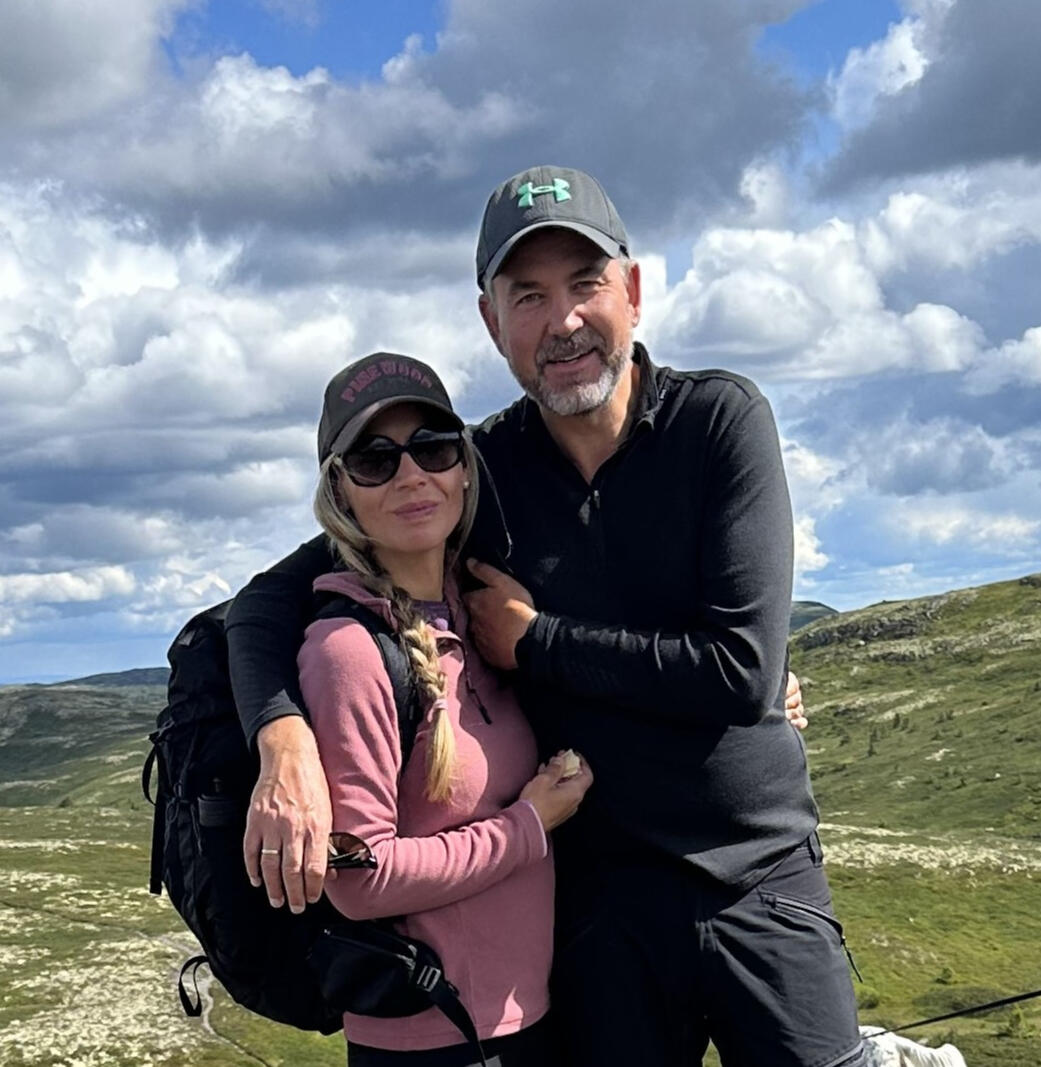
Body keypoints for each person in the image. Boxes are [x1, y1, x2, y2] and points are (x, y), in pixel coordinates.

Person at [226, 165, 863, 1066]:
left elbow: (739, 673)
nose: (561, 320)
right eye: (527, 295)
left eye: (584, 283)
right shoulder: (473, 468)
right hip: (599, 903)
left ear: (632, 292)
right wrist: (282, 735)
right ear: (492, 323)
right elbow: (264, 600)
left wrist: (539, 642)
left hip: (759, 877)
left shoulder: (718, 421)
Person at [298, 351, 591, 1065]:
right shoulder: (348, 651)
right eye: (375, 460)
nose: (411, 475)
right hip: (433, 1038)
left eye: (431, 448)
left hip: (527, 1019)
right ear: (340, 490)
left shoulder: (486, 612)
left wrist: (760, 688)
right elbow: (360, 879)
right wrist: (526, 825)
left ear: (463, 468)